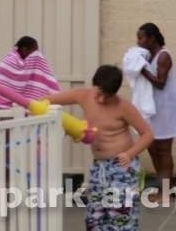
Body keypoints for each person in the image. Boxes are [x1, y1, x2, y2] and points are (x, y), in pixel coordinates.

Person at [47, 66, 154, 231]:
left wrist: (129, 154)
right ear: (93, 83)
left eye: (108, 96)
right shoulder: (83, 95)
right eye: (99, 94)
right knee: (95, 216)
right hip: (99, 167)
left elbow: (147, 134)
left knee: (121, 215)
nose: (102, 100)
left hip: (123, 167)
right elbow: (48, 101)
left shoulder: (123, 106)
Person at [135, 23, 176, 196]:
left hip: (166, 108)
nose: (138, 42)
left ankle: (166, 192)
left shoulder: (163, 56)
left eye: (141, 38)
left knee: (164, 149)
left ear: (151, 38)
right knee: (153, 148)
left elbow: (161, 83)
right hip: (152, 108)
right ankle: (163, 190)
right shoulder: (148, 56)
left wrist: (142, 71)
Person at [0, 36, 60, 110]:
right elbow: (17, 83)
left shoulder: (26, 65)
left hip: (5, 108)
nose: (37, 54)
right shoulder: (10, 61)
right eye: (35, 51)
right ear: (25, 50)